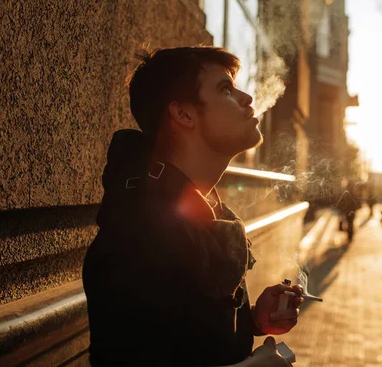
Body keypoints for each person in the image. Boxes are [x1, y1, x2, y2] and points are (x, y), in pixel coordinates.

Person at [82, 46, 304, 366]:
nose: (247, 99)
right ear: (183, 114)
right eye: (225, 89)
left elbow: (184, 339)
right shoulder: (137, 237)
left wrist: (253, 321)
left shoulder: (207, 217)